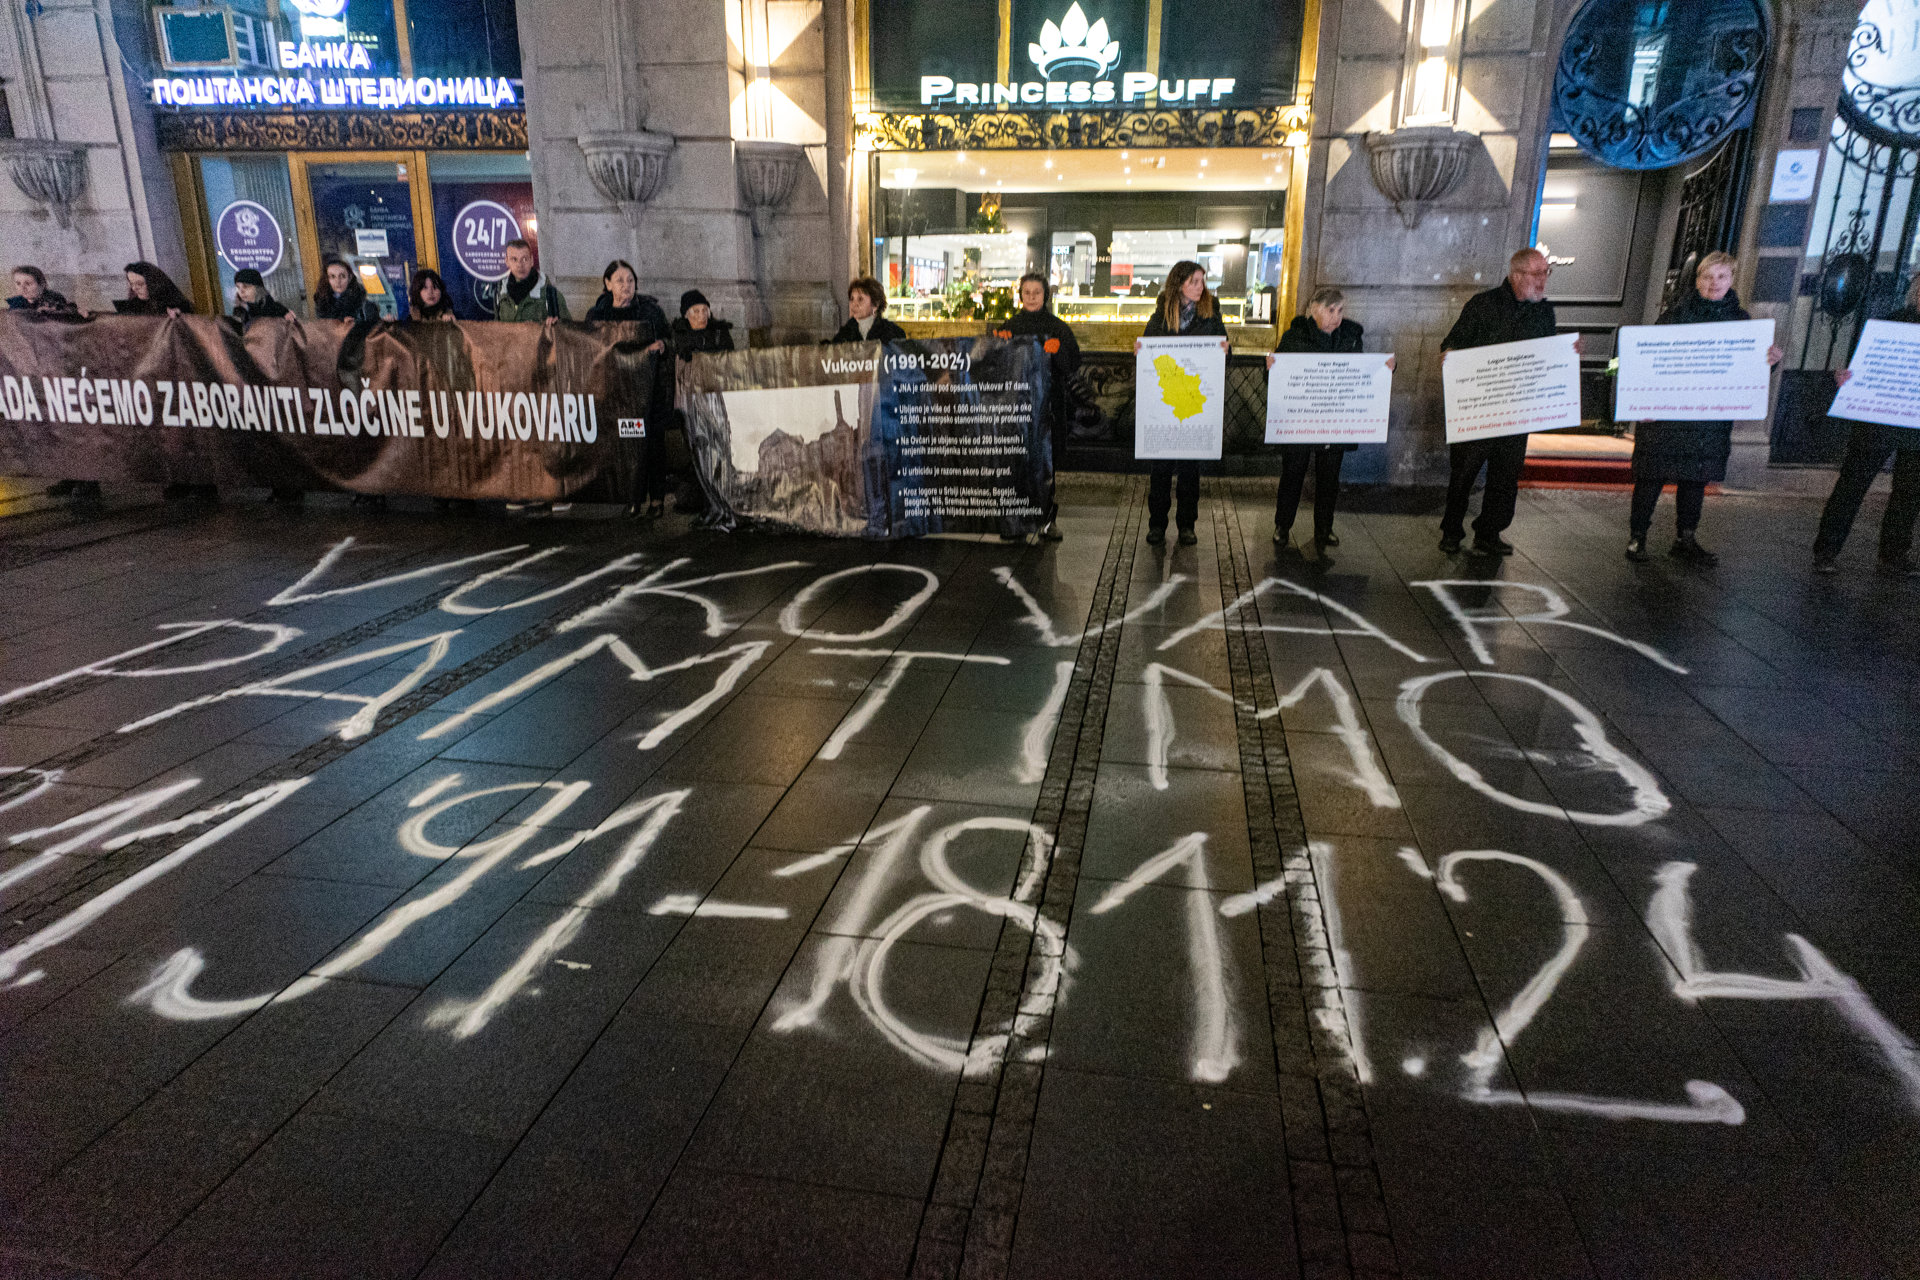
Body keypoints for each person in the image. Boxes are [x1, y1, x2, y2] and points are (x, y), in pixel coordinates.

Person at [1624, 251, 1783, 564]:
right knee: (1651, 477)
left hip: (1707, 418)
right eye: (1708, 276)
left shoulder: (1742, 322)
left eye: (1722, 276)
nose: (1714, 283)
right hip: (1667, 416)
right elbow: (1649, 361)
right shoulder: (1676, 314)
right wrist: (1642, 401)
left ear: (1732, 280)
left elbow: (1747, 372)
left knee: (1695, 479)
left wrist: (1769, 363)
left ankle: (1686, 537)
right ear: (1697, 280)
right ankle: (1637, 537)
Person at [1438, 247, 1564, 555]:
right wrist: (1450, 355)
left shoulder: (1544, 312)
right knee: (1464, 473)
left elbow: (1548, 355)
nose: (1543, 281)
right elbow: (1453, 343)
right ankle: (1452, 531)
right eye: (1538, 274)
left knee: (1506, 476)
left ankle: (1489, 532)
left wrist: (1567, 355)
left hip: (1517, 411)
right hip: (1479, 410)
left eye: (1546, 273)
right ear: (1517, 275)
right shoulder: (1483, 305)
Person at [1267, 286, 1394, 550]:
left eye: (1340, 310)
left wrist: (1385, 370)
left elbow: (1361, 373)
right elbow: (1277, 377)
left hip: (1334, 420)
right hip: (1301, 420)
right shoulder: (1295, 337)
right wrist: (1270, 369)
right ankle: (1283, 525)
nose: (1336, 316)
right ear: (1314, 310)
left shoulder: (1350, 337)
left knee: (1329, 478)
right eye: (1330, 310)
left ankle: (1324, 528)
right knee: (1293, 473)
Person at [1812, 279, 1920, 576]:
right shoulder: (1888, 326)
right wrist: (1846, 376)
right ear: (1914, 293)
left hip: (1916, 423)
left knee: (1910, 492)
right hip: (1878, 418)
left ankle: (1895, 554)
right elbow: (1861, 364)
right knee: (1852, 485)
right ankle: (1826, 550)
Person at [1139, 260, 1228, 546]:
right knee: (1161, 468)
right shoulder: (1161, 313)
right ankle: (1157, 524)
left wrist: (1227, 351)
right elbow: (1148, 351)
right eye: (1193, 282)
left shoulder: (1211, 314)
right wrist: (1141, 350)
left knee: (1191, 468)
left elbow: (1222, 352)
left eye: (1202, 281)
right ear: (1178, 284)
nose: (1199, 287)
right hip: (1166, 403)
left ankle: (1187, 525)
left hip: (1194, 400)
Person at [993, 272, 1079, 542]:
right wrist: (998, 345)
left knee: (1046, 465)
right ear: (1020, 296)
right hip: (1015, 408)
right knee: (1015, 462)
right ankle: (1015, 519)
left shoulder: (1059, 328)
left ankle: (1047, 520)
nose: (1031, 297)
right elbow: (993, 369)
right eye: (1027, 292)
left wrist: (1057, 352)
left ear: (1045, 295)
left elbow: (1073, 364)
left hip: (1048, 408)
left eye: (1036, 292)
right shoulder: (1010, 325)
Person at [584, 260, 674, 518]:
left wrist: (663, 346)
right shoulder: (598, 315)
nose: (626, 286)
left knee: (653, 443)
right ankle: (631, 497)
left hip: (648, 392)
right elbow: (586, 347)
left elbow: (669, 339)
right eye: (620, 281)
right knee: (626, 445)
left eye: (631, 281)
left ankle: (656, 499)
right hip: (616, 394)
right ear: (608, 284)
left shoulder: (650, 311)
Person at [494, 239, 569, 323]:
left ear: (532, 261)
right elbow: (497, 330)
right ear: (507, 262)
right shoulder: (501, 292)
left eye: (524, 259)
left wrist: (556, 324)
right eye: (514, 259)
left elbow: (568, 331)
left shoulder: (550, 294)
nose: (520, 265)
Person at [830, 277, 906, 343]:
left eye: (860, 299)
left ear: (875, 305)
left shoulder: (893, 332)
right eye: (852, 299)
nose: (854, 304)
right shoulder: (844, 333)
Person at [671, 289, 735, 359]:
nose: (702, 315)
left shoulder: (719, 331)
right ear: (686, 315)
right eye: (696, 311)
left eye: (704, 310)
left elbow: (729, 357)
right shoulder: (677, 333)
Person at [312, 256, 378, 321]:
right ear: (327, 279)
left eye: (342, 276)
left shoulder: (364, 305)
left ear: (349, 277)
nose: (338, 281)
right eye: (332, 277)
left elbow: (374, 328)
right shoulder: (322, 303)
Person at [119, 262, 194, 316]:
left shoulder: (179, 305)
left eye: (139, 284)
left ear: (154, 283)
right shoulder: (134, 304)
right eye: (131, 284)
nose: (134, 288)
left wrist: (178, 314)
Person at [8, 265, 77, 315]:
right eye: (18, 283)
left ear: (41, 285)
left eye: (28, 284)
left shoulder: (54, 297)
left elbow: (68, 311)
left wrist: (53, 312)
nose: (22, 288)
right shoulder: (16, 302)